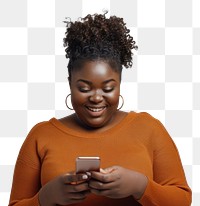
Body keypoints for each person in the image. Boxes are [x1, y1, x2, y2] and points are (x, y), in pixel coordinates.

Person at [9, 12, 192, 206]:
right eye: (84, 88)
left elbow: (182, 200)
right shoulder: (41, 135)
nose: (96, 98)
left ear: (120, 84)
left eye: (108, 88)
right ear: (70, 83)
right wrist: (45, 198)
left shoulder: (149, 129)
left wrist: (139, 186)